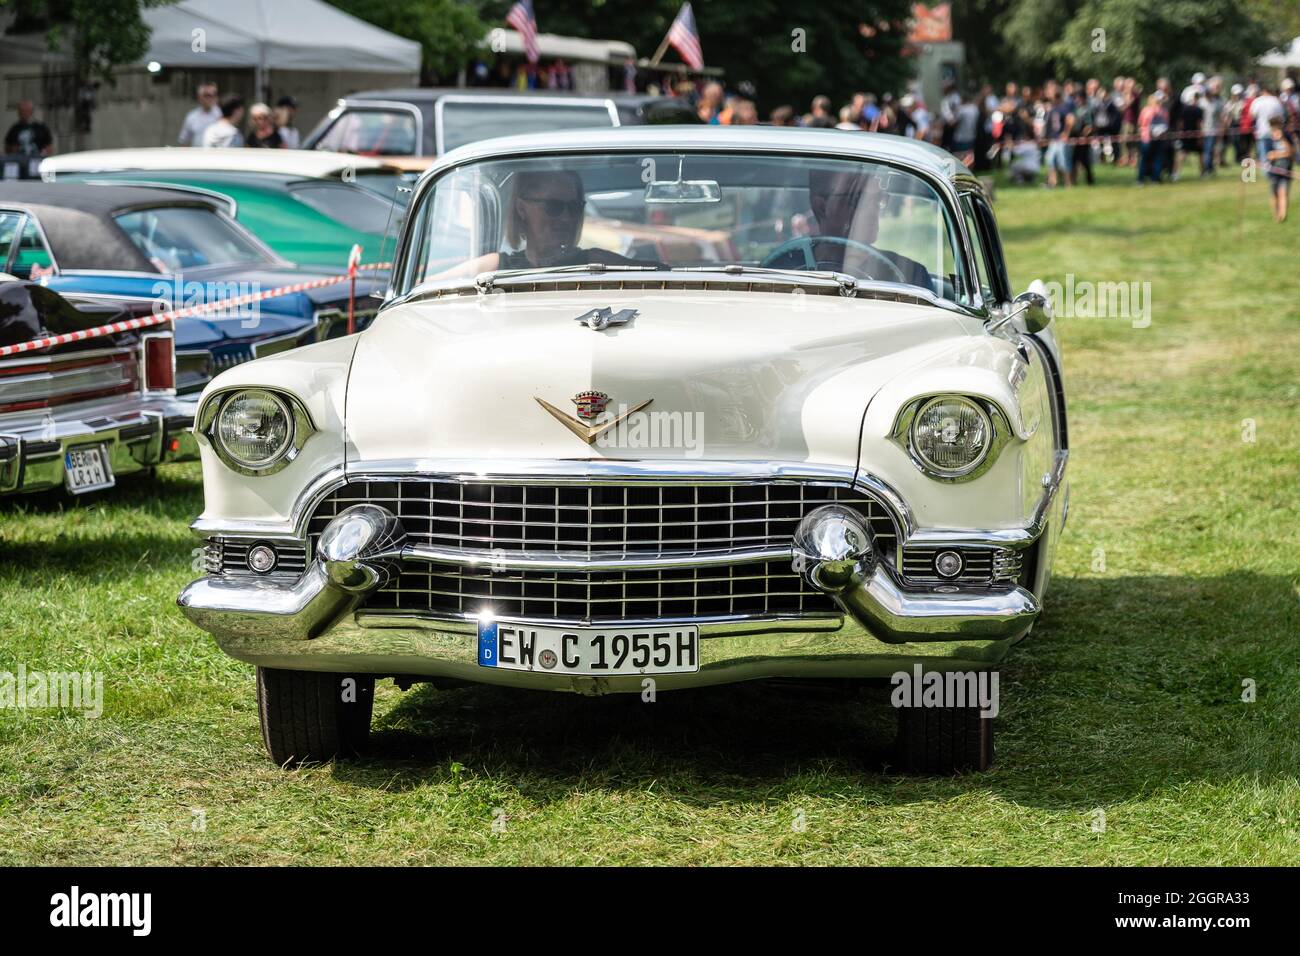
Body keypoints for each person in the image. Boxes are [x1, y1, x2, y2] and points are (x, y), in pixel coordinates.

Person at [1264, 113, 1293, 222]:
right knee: (1274, 193)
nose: (1276, 128)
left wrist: (1283, 139)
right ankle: (1276, 216)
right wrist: (1280, 154)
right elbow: (1268, 155)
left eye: (1278, 125)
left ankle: (1283, 214)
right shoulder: (1268, 138)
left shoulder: (1286, 136)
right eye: (1273, 126)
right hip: (1273, 170)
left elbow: (1290, 152)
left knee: (1284, 192)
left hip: (1286, 169)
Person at [1137, 91, 1169, 185]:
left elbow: (1140, 123)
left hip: (1153, 139)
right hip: (1150, 138)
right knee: (1150, 159)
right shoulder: (1159, 111)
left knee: (1152, 159)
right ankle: (1149, 179)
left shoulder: (1162, 111)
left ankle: (1148, 179)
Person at [1198, 78, 1224, 176]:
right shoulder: (1201, 102)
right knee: (1205, 151)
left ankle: (1209, 169)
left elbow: (1220, 117)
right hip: (1202, 131)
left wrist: (1221, 129)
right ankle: (1206, 170)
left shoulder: (1216, 103)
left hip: (1213, 130)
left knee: (1210, 151)